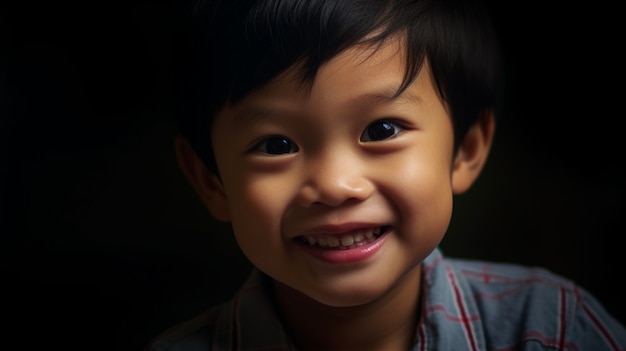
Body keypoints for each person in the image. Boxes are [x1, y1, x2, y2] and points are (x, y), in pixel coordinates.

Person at [146, 0, 626, 349]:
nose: (334, 185)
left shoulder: (553, 329)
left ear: (465, 149)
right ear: (211, 180)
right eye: (277, 145)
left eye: (382, 130)